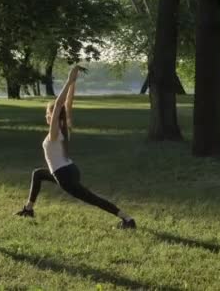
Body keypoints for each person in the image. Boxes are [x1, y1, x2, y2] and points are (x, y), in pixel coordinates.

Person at [15, 66, 136, 229]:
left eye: (47, 114)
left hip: (64, 175)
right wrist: (73, 83)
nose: (46, 116)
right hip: (69, 169)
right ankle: (28, 209)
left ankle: (127, 219)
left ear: (53, 117)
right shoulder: (66, 127)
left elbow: (59, 105)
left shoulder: (55, 133)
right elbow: (67, 105)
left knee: (92, 199)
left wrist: (69, 80)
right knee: (38, 174)